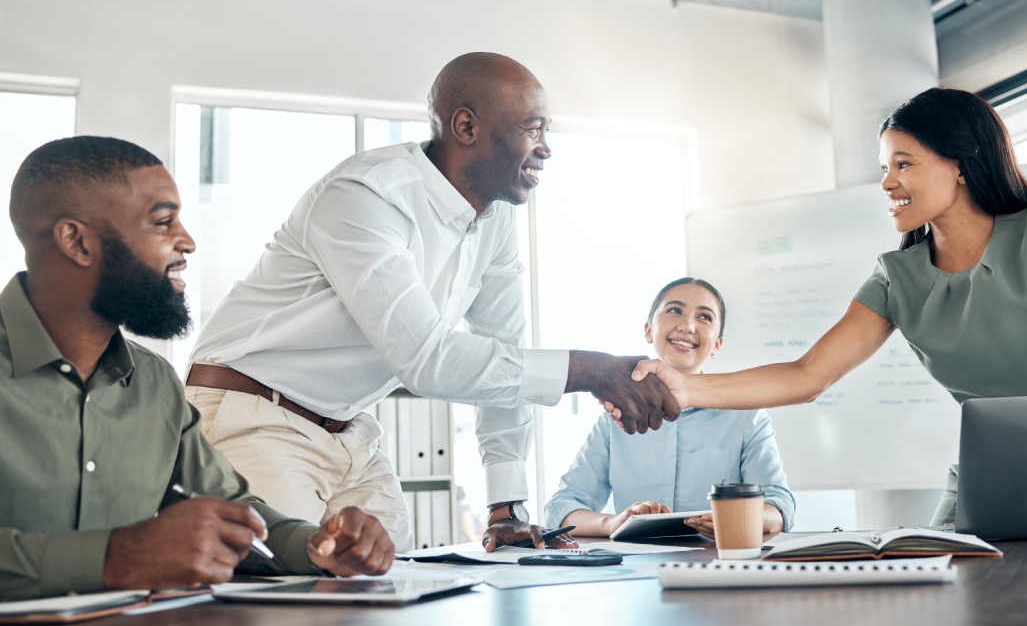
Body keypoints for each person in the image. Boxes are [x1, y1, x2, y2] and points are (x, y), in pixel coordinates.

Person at [185, 52, 678, 554]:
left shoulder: (495, 220)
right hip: (256, 415)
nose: (546, 149)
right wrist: (593, 371)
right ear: (466, 125)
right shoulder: (365, 195)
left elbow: (501, 349)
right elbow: (428, 359)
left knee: (393, 589)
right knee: (278, 608)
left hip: (348, 434)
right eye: (533, 129)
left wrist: (505, 506)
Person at [622, 88, 1027, 525]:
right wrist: (686, 387)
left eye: (904, 163)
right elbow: (809, 374)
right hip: (985, 487)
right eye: (884, 166)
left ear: (961, 166)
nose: (887, 182)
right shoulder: (897, 277)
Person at [0, 136, 394, 601]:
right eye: (162, 222)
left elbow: (233, 507)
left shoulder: (154, 384)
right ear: (77, 241)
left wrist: (316, 544)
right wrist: (117, 557)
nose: (186, 241)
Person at [544, 278, 795, 538]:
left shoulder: (746, 416)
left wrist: (734, 519)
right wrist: (614, 523)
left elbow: (780, 508)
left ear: (717, 345)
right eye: (674, 310)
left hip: (717, 566)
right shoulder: (616, 418)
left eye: (705, 317)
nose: (687, 326)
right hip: (635, 570)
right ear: (648, 330)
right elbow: (560, 508)